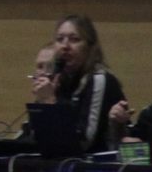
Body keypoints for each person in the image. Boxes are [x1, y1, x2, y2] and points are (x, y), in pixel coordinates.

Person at [38, 15, 123, 148]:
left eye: (74, 39)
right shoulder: (59, 78)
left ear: (89, 46)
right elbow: (38, 134)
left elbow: (84, 141)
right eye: (60, 39)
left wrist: (50, 101)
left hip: (94, 158)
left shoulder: (99, 79)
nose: (65, 46)